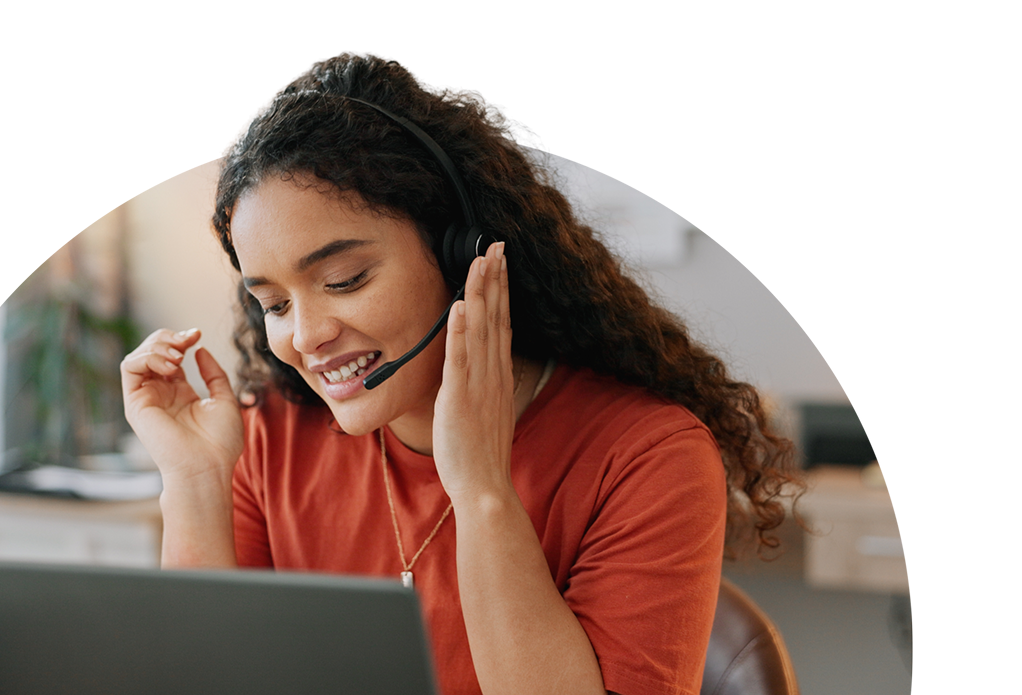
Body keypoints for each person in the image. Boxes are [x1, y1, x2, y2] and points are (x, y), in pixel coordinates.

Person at [120, 52, 803, 695]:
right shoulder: (273, 435)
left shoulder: (648, 457)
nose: (305, 336)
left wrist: (482, 493)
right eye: (272, 303)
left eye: (345, 279)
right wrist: (196, 482)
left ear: (460, 254)